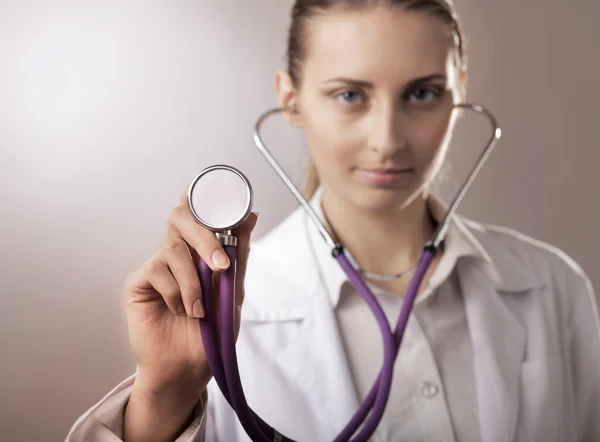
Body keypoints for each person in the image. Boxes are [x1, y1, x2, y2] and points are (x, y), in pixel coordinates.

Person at [66, 0, 600, 441]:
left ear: (459, 89)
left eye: (422, 93)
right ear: (290, 100)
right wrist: (166, 394)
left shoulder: (552, 286)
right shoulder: (222, 313)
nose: (387, 140)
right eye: (350, 95)